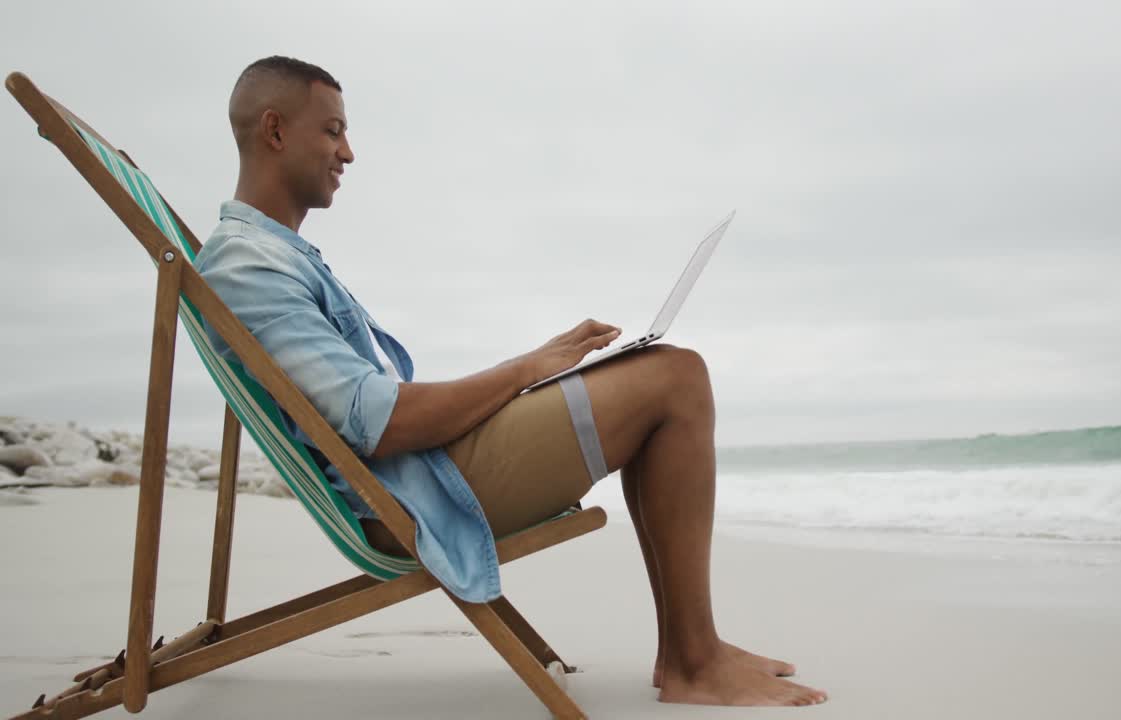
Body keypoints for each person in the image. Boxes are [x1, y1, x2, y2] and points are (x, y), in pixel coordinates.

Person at [196, 55, 827, 708]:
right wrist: (526, 369)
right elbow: (380, 422)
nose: (347, 152)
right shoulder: (249, 266)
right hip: (414, 493)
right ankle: (695, 660)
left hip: (418, 469)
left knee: (660, 369)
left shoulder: (271, 255)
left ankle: (688, 649)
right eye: (332, 131)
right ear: (275, 130)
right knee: (675, 379)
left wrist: (532, 367)